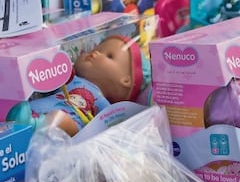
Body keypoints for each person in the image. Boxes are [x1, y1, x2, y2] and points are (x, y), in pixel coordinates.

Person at [8, 34, 151, 134]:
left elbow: (106, 127)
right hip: (36, 110)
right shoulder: (71, 79)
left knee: (63, 120)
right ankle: (24, 121)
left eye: (109, 55)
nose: (95, 53)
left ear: (126, 80)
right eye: (96, 49)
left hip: (71, 126)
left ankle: (33, 125)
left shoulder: (104, 104)